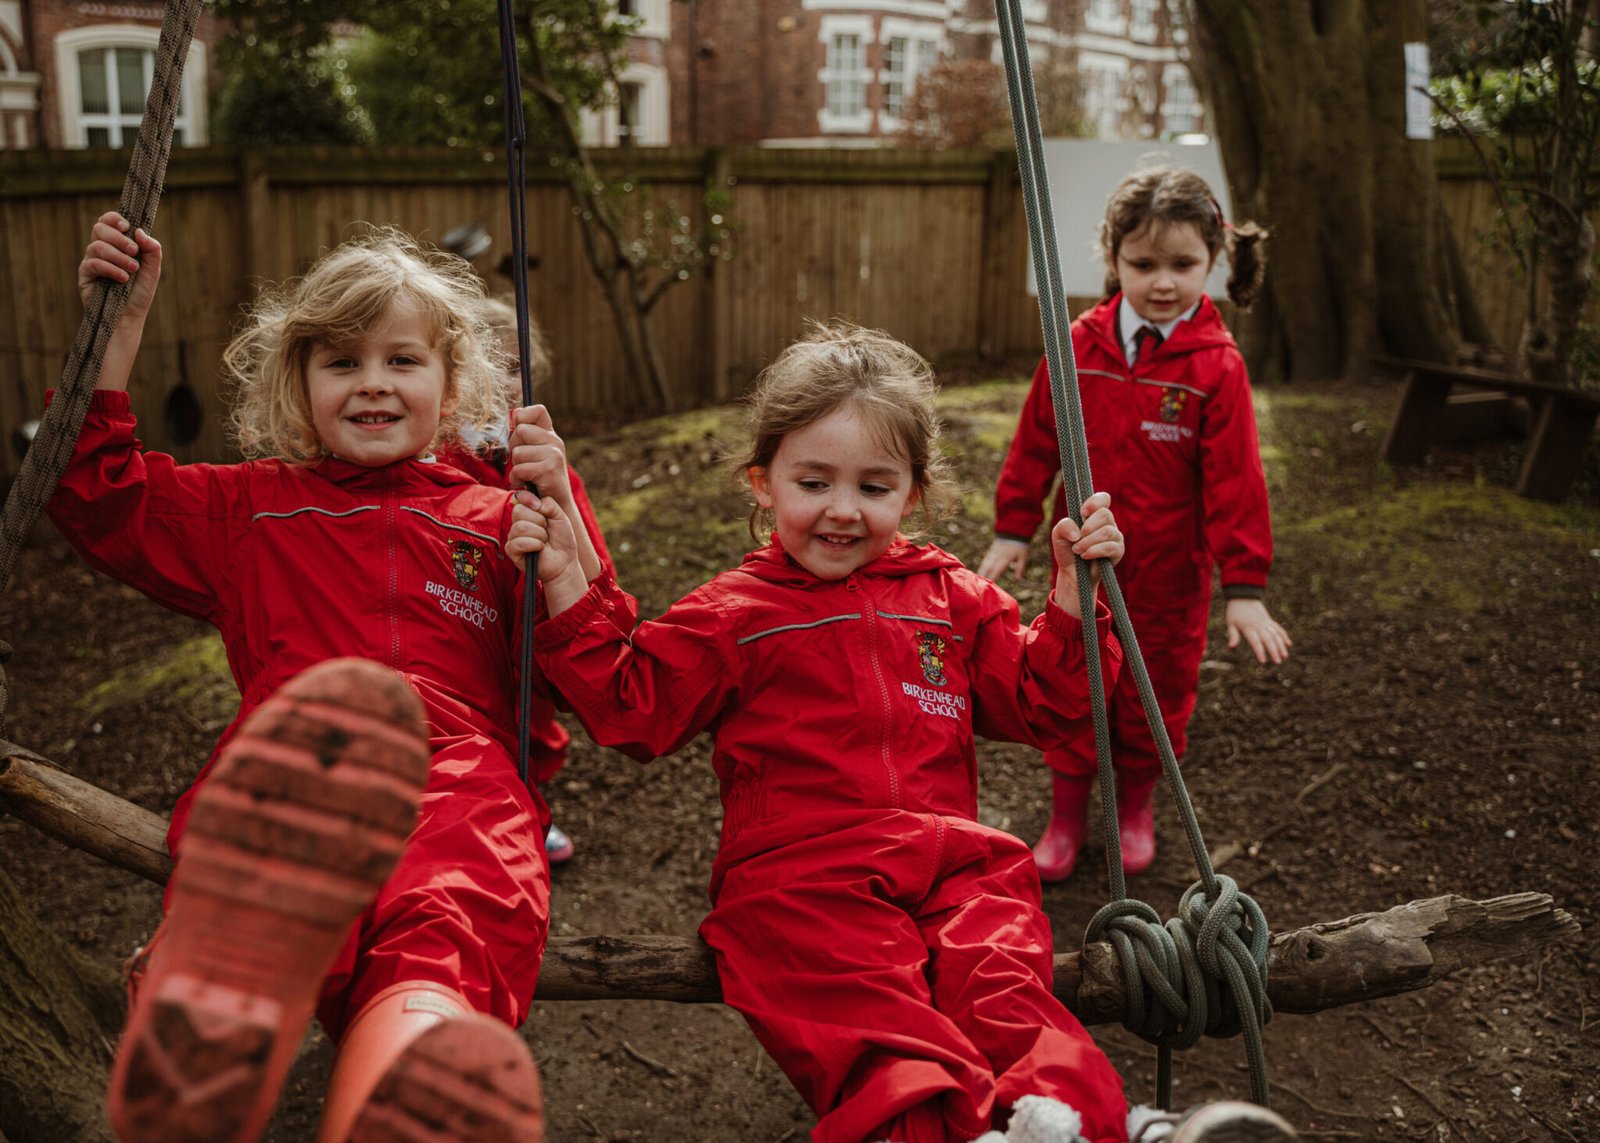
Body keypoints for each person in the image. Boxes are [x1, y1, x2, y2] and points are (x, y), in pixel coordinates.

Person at [506, 323, 1296, 1143]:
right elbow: (633, 704)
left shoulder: (947, 596)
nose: (843, 509)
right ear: (763, 483)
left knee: (1005, 984)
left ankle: (1092, 1123)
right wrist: (565, 578)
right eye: (814, 481)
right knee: (872, 1017)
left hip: (953, 861)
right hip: (800, 877)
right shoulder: (736, 612)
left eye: (875, 486)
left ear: (913, 492)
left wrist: (1071, 594)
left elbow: (1044, 702)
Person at [53, 213, 557, 1143]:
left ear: (451, 387)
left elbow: (578, 655)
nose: (373, 382)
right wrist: (113, 332)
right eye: (341, 362)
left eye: (402, 360)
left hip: (458, 778)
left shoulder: (497, 517)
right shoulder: (250, 508)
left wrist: (559, 526)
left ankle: (410, 1069)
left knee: (453, 909)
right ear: (300, 383)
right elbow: (97, 489)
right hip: (301, 769)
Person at [978, 166, 1292, 884]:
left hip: (1170, 576)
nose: (1163, 282)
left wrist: (1244, 587)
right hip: (1081, 564)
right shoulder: (1075, 347)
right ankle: (1066, 814)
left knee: (1156, 693)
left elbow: (1238, 481)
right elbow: (1035, 443)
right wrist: (1013, 527)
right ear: (1113, 257)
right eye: (1143, 264)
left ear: (1213, 261)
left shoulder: (1215, 366)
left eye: (1182, 264)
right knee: (1074, 677)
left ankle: (1135, 808)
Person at [438, 294, 615, 866]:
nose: (499, 383)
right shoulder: (438, 461)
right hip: (463, 623)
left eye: (514, 368)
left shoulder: (544, 468)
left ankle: (528, 806)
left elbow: (591, 559)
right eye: (480, 367)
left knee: (530, 726)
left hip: (529, 630)